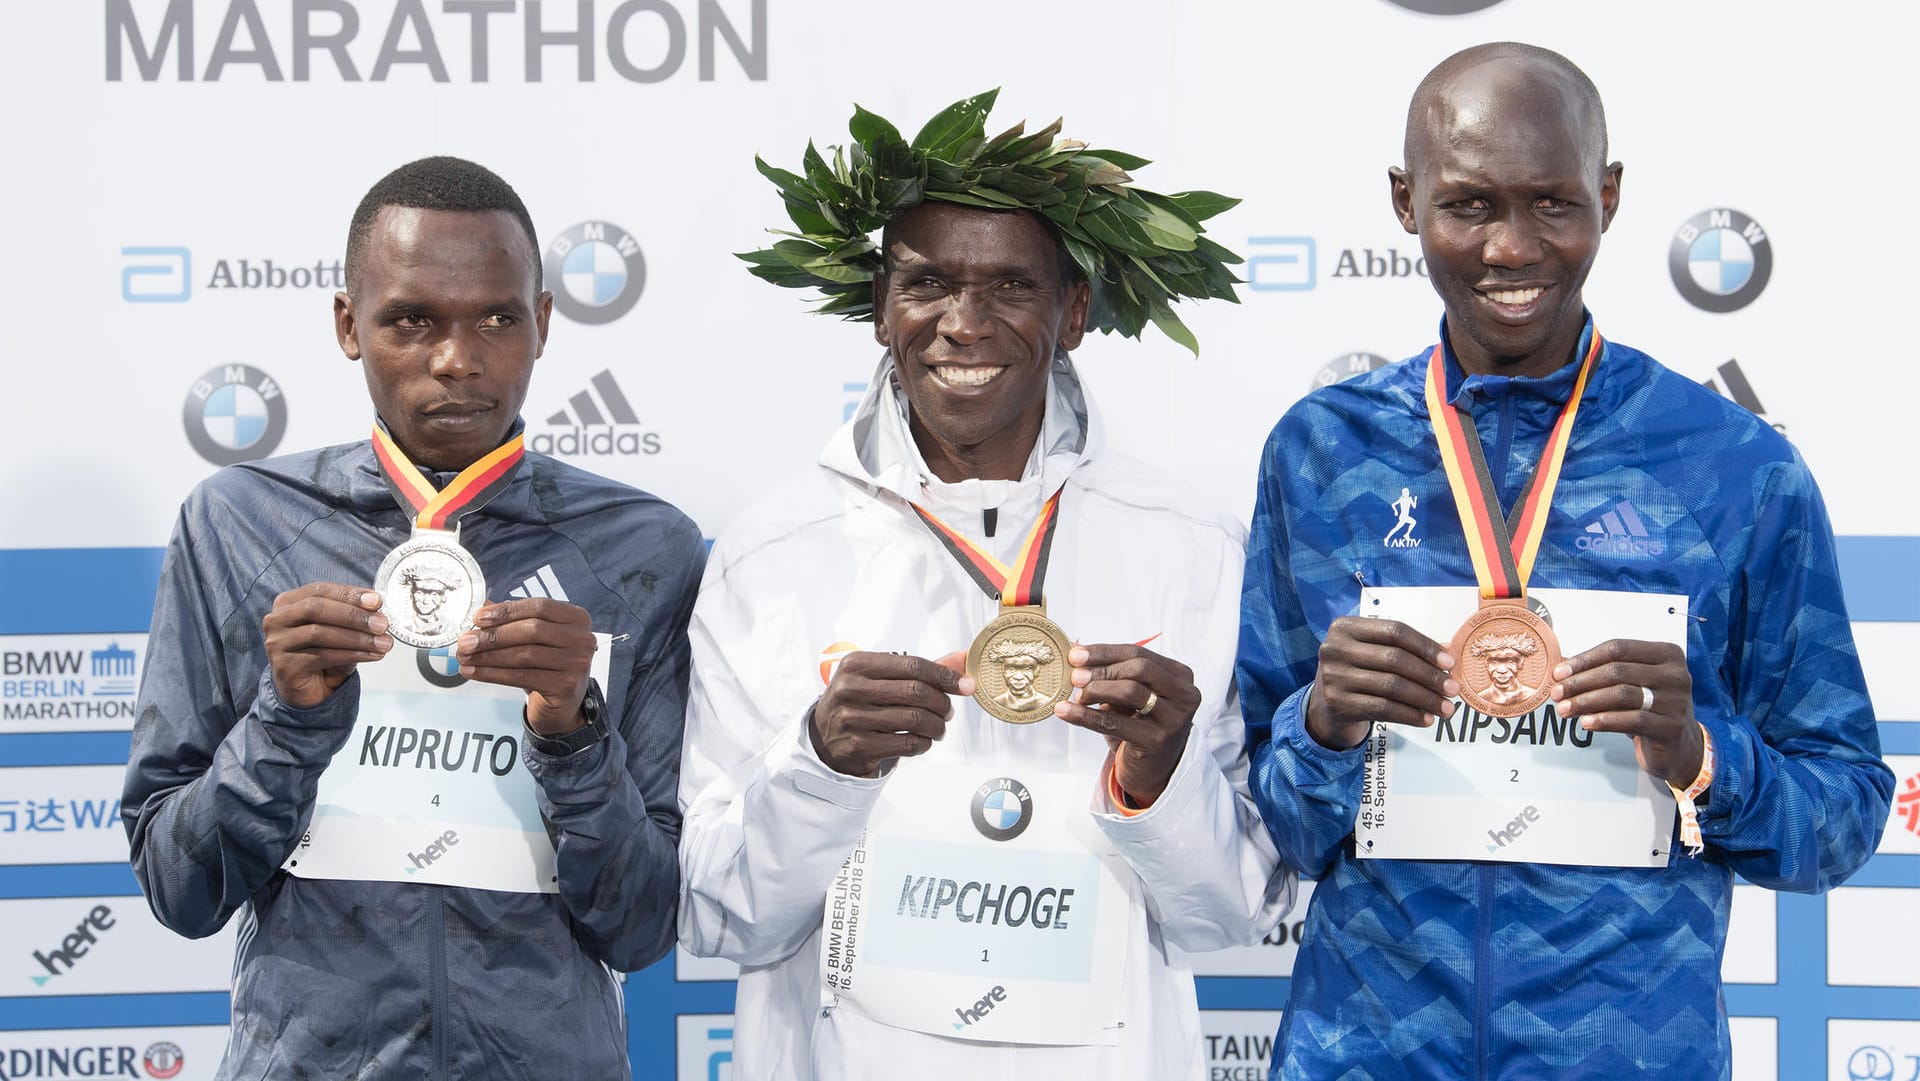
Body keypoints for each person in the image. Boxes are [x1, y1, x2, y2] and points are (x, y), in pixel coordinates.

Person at [1238, 43, 1892, 1079]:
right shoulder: (1322, 453)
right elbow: (1269, 815)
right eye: (1468, 205)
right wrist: (1324, 728)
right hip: (1364, 1051)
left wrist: (1702, 756)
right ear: (1405, 202)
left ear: (1610, 196)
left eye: (1552, 203)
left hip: (1632, 1056)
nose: (1510, 247)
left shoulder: (1737, 466)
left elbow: (1846, 810)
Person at [678, 92, 1292, 1080]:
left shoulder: (1193, 549)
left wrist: (1159, 773)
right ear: (881, 307)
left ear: (1074, 312)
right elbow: (721, 916)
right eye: (926, 283)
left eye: (1010, 286)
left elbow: (1231, 914)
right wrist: (823, 761)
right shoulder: (773, 555)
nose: (963, 325)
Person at [121, 156, 705, 1079]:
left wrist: (573, 731)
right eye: (411, 320)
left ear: (544, 322)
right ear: (350, 325)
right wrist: (288, 718)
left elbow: (640, 926)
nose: (457, 359)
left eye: (497, 319)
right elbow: (179, 888)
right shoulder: (237, 521)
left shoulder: (648, 548)